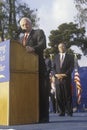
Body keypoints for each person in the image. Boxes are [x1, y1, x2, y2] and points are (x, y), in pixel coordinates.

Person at [17, 17, 49, 122]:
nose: (25, 26)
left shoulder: (38, 32)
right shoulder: (21, 39)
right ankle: (31, 115)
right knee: (30, 93)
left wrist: (33, 49)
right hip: (26, 70)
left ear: (31, 24)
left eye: (26, 24)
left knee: (42, 92)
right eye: (23, 25)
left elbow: (43, 44)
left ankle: (43, 117)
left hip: (39, 67)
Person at [53, 42, 74, 116]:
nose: (61, 48)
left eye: (63, 47)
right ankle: (61, 111)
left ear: (65, 47)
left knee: (67, 95)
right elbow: (53, 68)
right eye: (60, 47)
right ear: (58, 48)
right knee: (59, 96)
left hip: (66, 79)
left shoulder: (70, 57)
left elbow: (71, 68)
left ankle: (69, 111)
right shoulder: (55, 57)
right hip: (57, 80)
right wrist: (56, 74)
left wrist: (64, 74)